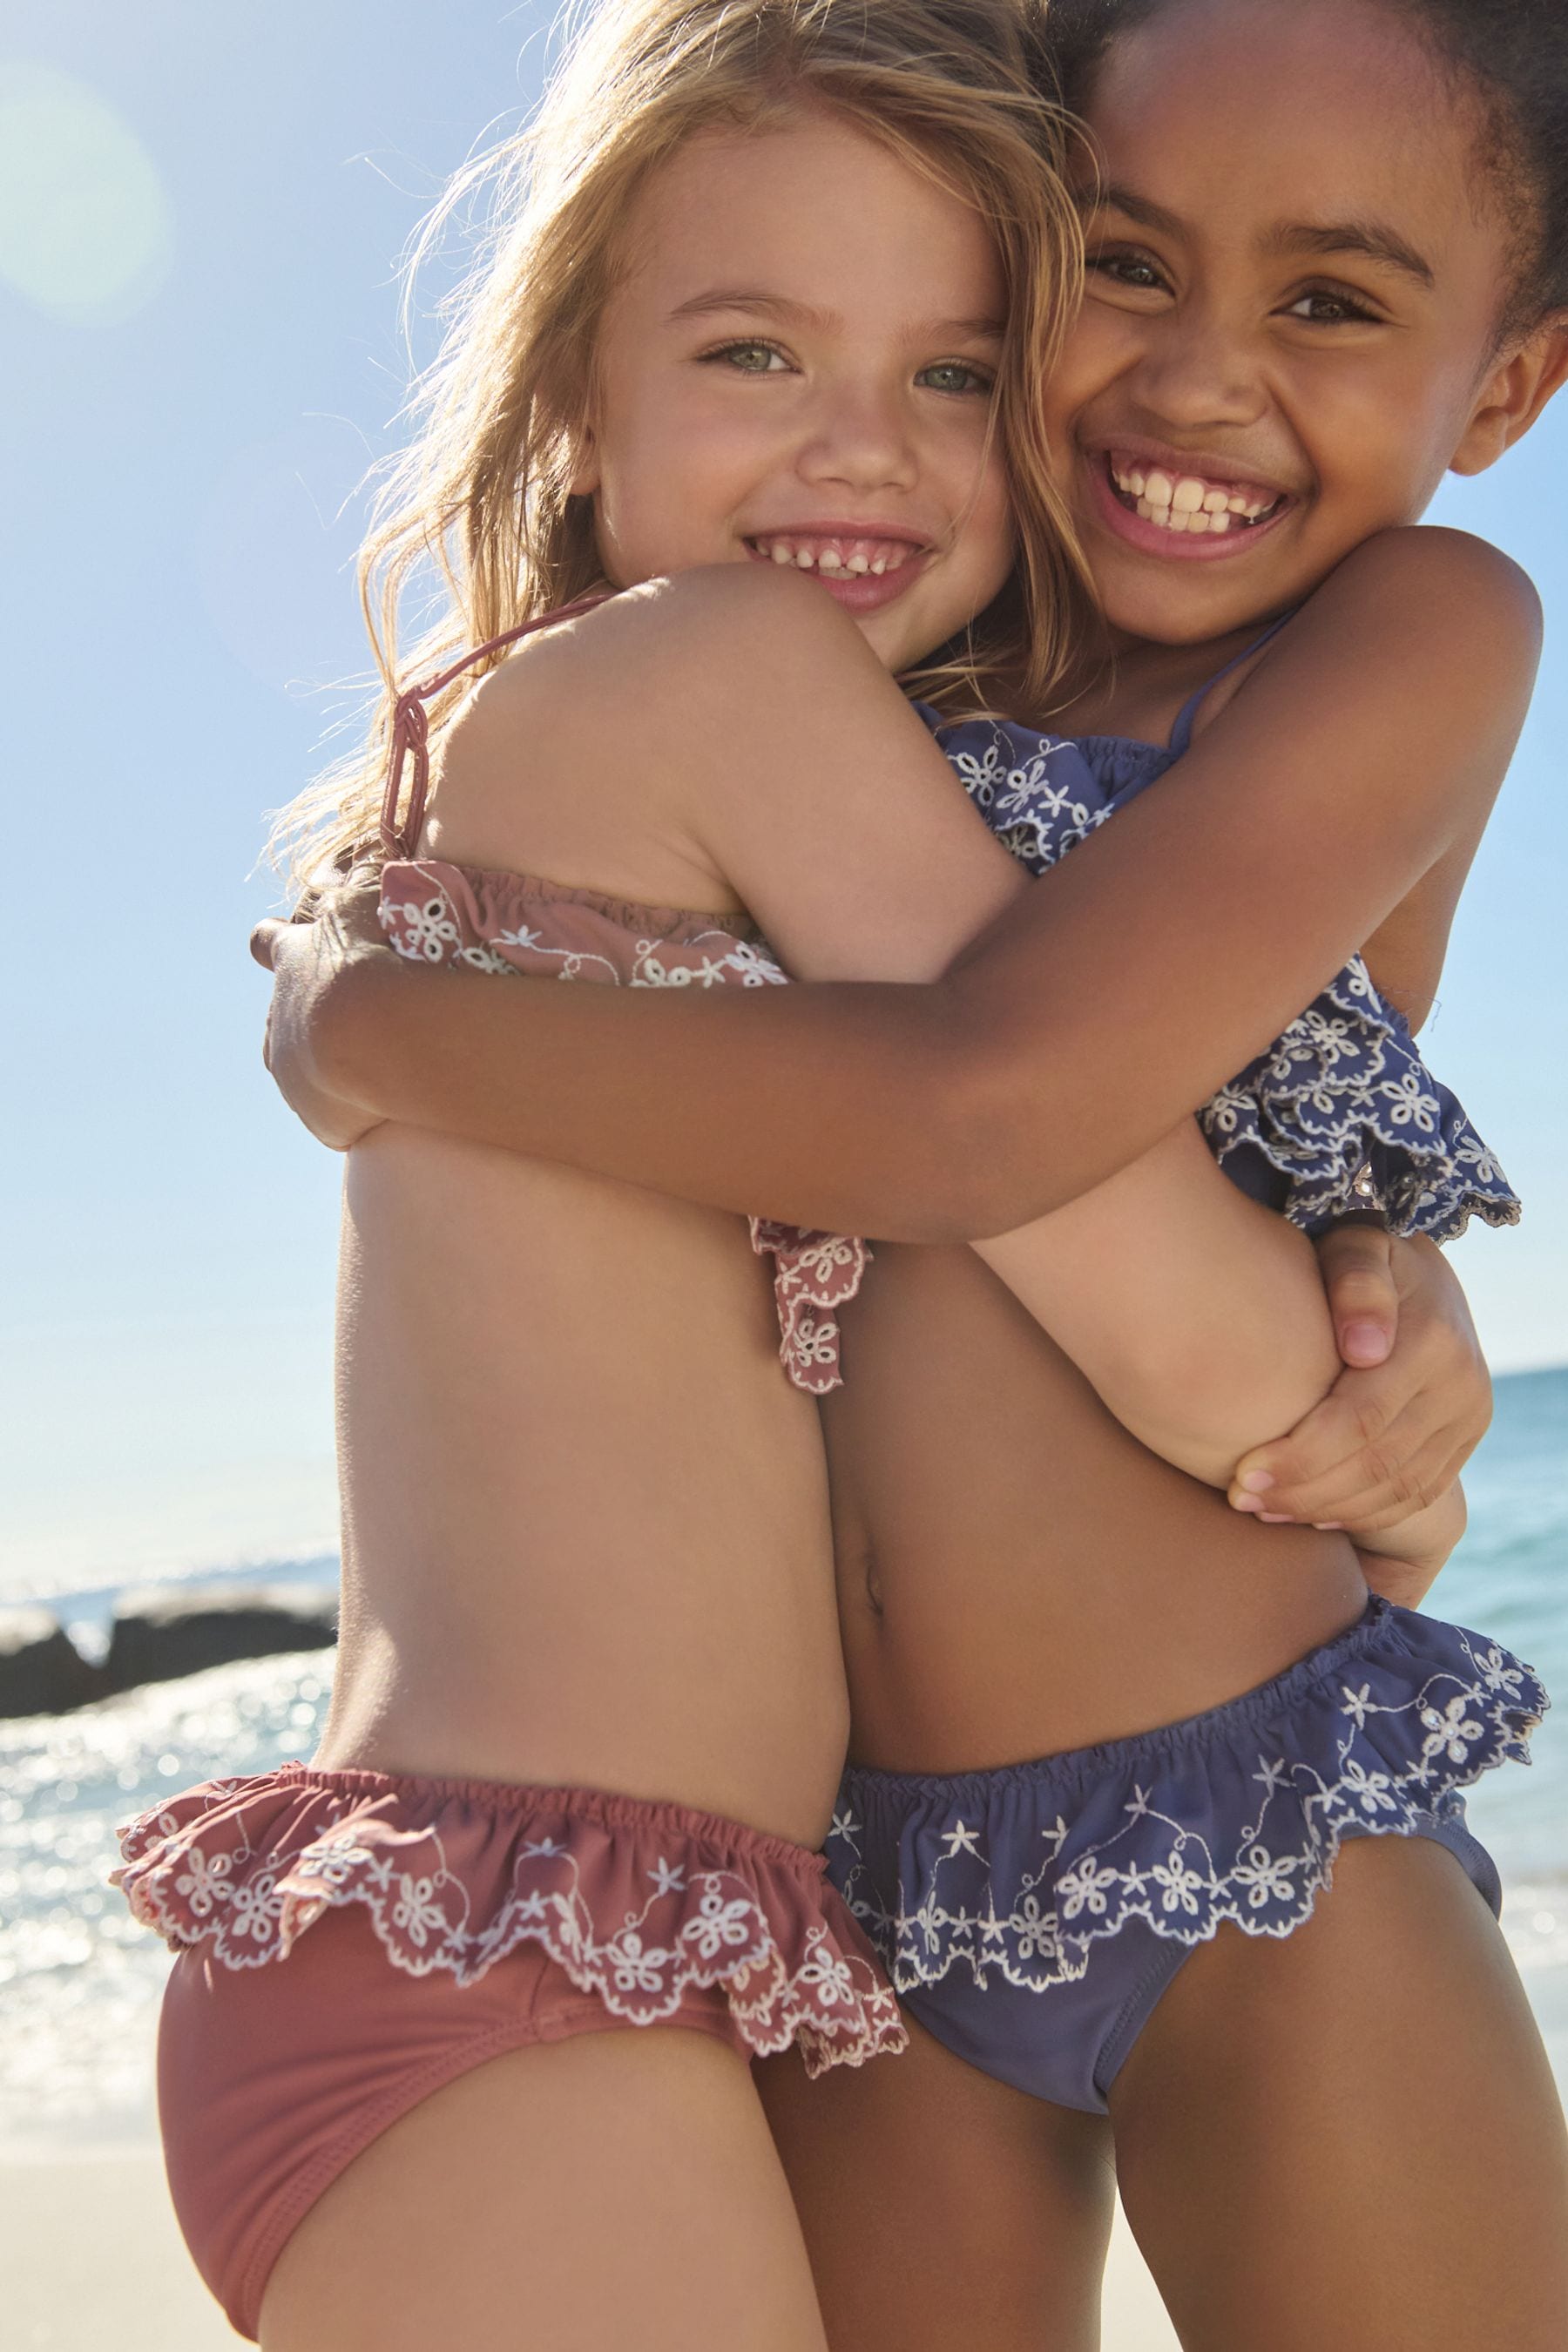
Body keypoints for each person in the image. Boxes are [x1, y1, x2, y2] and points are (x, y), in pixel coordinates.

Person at [256, 0, 1568, 2343]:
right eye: (1125, 266)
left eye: (1333, 303)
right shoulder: (874, 642)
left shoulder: (1411, 628)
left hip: (1247, 1828)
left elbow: (992, 1103)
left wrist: (389, 1036)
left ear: (1505, 388)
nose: (1195, 379)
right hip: (853, 1895)